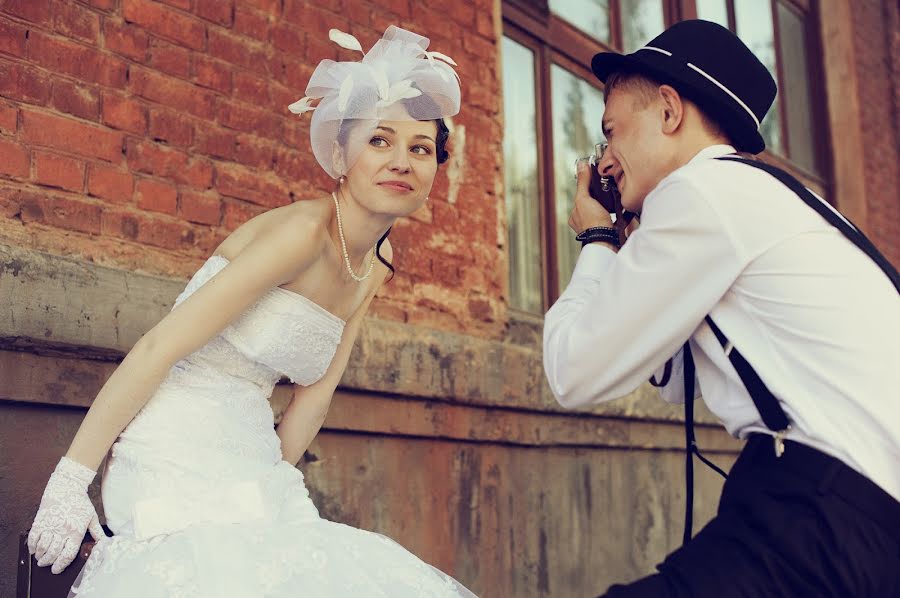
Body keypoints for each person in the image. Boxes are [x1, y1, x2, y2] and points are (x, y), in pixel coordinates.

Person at [26, 25, 477, 597]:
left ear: (435, 171)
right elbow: (160, 347)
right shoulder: (301, 236)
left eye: (420, 149)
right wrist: (72, 478)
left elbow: (316, 393)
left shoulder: (376, 260)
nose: (401, 162)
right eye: (379, 141)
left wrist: (278, 489)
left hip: (250, 451)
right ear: (342, 154)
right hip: (172, 444)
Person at [543, 19, 900, 597]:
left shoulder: (699, 194)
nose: (605, 160)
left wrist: (597, 243)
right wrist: (640, 261)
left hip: (820, 508)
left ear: (668, 110)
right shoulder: (762, 195)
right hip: (860, 519)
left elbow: (572, 371)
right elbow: (678, 383)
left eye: (611, 131)